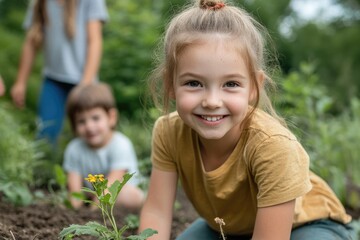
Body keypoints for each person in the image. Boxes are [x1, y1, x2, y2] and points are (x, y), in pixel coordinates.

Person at [138, 0, 354, 239]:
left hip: (307, 225)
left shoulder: (273, 146)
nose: (211, 101)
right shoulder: (169, 131)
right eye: (193, 83)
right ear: (170, 85)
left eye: (230, 84)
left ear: (254, 87)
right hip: (230, 226)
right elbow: (157, 213)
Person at [11, 0, 108, 147]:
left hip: (83, 81)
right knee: (45, 135)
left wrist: (86, 84)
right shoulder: (40, 3)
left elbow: (94, 40)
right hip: (53, 80)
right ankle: (47, 169)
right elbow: (31, 42)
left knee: (90, 134)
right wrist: (20, 82)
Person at [63, 83, 144, 211]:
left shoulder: (120, 144)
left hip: (118, 193)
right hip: (91, 195)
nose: (89, 127)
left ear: (111, 117)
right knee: (70, 199)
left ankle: (104, 211)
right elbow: (75, 191)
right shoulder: (74, 148)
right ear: (74, 125)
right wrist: (74, 207)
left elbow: (112, 184)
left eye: (95, 118)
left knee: (132, 196)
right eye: (81, 121)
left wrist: (92, 213)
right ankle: (93, 206)